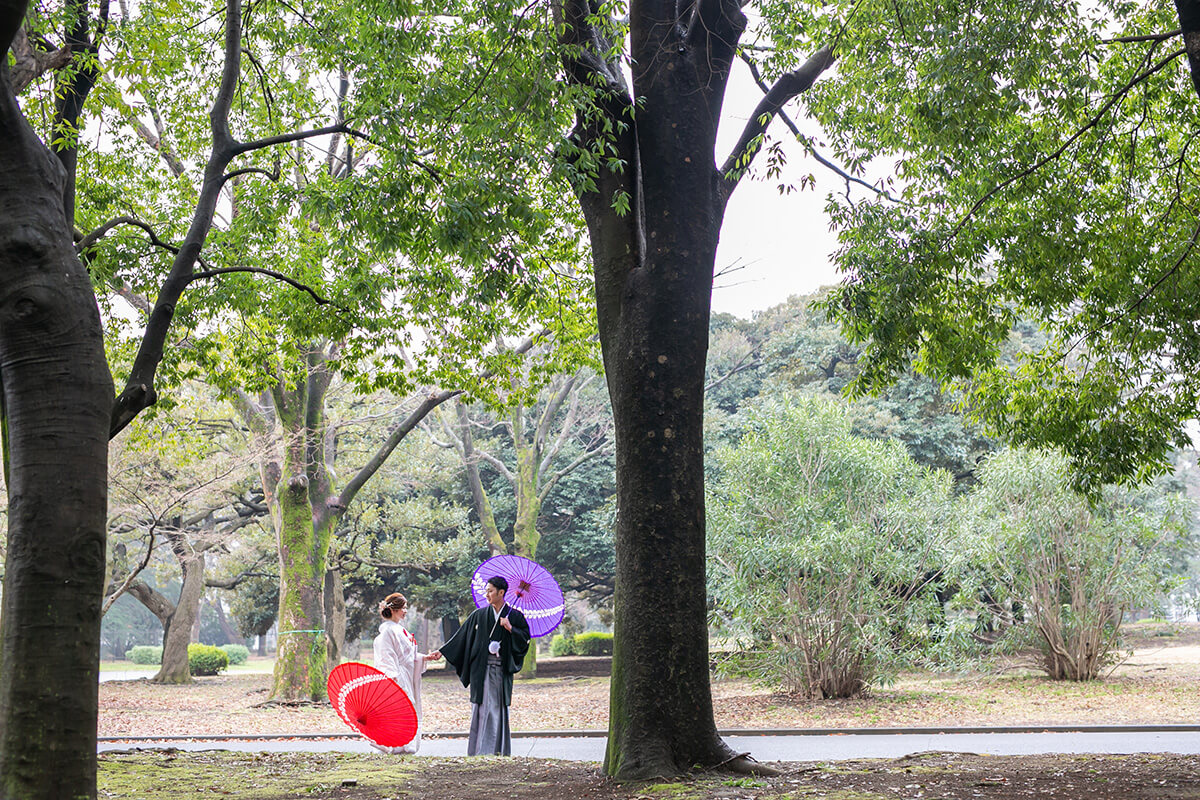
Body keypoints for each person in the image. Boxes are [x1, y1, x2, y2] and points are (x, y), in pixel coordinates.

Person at [431, 576, 531, 756]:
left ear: (501, 593)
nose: (487, 594)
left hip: (501, 670)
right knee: (482, 708)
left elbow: (525, 640)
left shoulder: (514, 616)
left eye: (490, 591)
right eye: (486, 591)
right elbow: (462, 636)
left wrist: (511, 629)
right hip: (481, 671)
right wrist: (443, 652)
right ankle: (481, 750)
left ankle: (496, 749)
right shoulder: (479, 615)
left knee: (497, 708)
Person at [372, 592, 441, 754]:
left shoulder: (399, 630)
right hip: (397, 675)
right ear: (394, 609)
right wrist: (391, 676)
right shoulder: (389, 631)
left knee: (409, 708)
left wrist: (425, 657)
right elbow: (387, 655)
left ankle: (405, 744)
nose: (405, 611)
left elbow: (408, 656)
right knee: (401, 709)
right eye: (403, 608)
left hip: (406, 674)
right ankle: (396, 744)